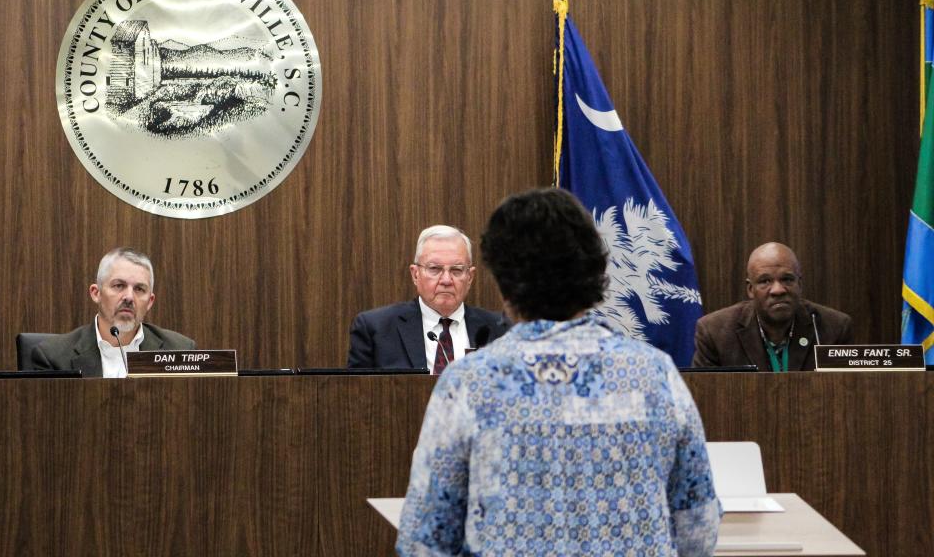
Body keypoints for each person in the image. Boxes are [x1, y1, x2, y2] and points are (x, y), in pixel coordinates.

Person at [396, 189, 720, 556]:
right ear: (597, 271)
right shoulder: (655, 374)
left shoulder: (469, 384)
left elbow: (423, 539)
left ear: (502, 280)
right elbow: (699, 525)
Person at [347, 225, 509, 373]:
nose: (446, 280)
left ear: (470, 277)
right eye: (434, 269)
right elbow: (358, 396)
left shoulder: (502, 330)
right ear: (415, 274)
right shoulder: (375, 329)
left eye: (457, 270)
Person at [30, 247, 195, 377]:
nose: (129, 297)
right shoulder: (54, 357)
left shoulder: (180, 350)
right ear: (96, 293)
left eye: (139, 289)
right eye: (119, 285)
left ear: (150, 301)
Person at [692, 242, 852, 371]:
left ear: (800, 285)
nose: (778, 290)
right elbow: (705, 399)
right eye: (765, 281)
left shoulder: (834, 328)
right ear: (750, 289)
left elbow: (846, 394)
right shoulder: (714, 332)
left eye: (787, 279)